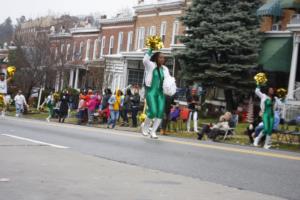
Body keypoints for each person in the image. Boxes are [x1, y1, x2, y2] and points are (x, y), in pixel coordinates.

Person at [142, 47, 171, 139]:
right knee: (153, 111)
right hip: (151, 92)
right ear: (156, 58)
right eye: (160, 57)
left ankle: (153, 132)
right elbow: (145, 60)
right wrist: (150, 48)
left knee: (160, 113)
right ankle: (145, 127)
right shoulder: (151, 65)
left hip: (161, 93)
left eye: (163, 58)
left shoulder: (165, 69)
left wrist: (170, 88)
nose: (162, 59)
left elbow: (168, 80)